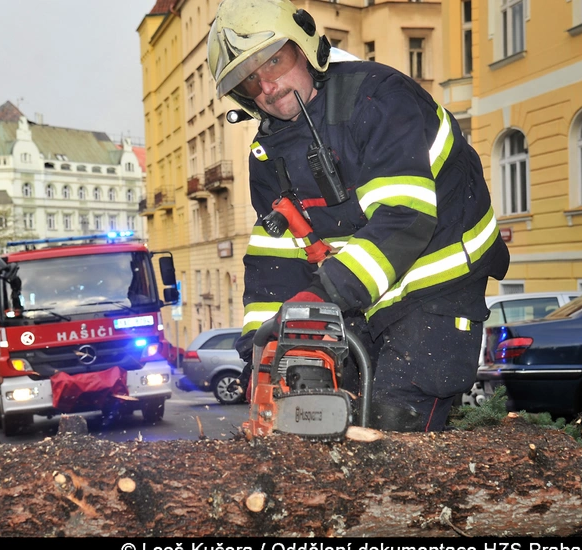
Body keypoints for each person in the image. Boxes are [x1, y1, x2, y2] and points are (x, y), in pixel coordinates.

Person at [207, 0, 510, 432]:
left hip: (438, 284)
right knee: (330, 407)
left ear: (305, 47)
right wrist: (261, 348)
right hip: (360, 293)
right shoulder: (267, 154)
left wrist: (320, 296)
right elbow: (274, 259)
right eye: (250, 80)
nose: (268, 87)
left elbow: (404, 219)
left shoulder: (380, 99)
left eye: (274, 61)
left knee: (392, 416)